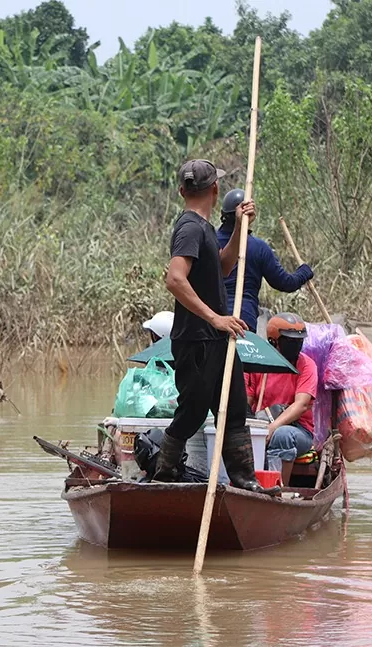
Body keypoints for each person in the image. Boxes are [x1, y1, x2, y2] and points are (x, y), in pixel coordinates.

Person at [155, 159, 280, 496]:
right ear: (215, 189)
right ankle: (163, 473)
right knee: (192, 413)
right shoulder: (190, 229)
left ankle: (244, 479)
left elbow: (224, 268)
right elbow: (174, 278)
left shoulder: (205, 229)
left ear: (182, 191)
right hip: (197, 340)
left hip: (218, 339)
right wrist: (214, 317)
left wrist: (240, 224)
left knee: (235, 410)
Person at [215, 189, 314, 332]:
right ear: (249, 215)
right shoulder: (258, 248)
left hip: (213, 320)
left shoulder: (209, 240)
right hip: (243, 323)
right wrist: (304, 271)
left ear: (223, 215)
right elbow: (285, 283)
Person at [245, 312, 317, 487]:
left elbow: (301, 405)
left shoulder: (306, 365)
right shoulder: (258, 363)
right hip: (261, 423)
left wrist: (273, 428)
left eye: (300, 341)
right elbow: (246, 401)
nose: (297, 345)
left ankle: (276, 488)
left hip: (298, 430)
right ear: (273, 341)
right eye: (291, 341)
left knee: (282, 435)